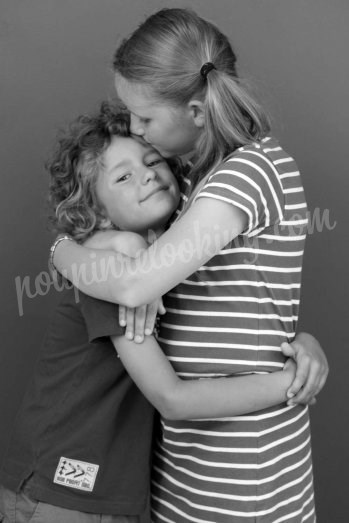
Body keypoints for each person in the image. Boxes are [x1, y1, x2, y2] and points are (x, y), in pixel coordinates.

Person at [51, 9, 328, 522]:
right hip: (182, 476)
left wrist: (61, 252)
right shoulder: (189, 190)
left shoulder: (250, 171)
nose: (134, 128)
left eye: (146, 118)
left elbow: (134, 285)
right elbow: (238, 299)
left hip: (249, 479)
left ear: (197, 112)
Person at [0, 103, 305, 523]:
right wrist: (293, 382)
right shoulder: (106, 274)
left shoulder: (171, 262)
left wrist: (301, 343)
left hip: (113, 489)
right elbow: (172, 398)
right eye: (123, 177)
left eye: (153, 161)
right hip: (61, 486)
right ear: (99, 214)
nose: (146, 174)